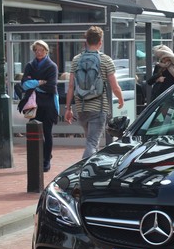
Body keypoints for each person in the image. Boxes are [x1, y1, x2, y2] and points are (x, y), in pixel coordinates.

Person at [64, 26, 124, 159]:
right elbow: (114, 86)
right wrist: (121, 99)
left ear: (86, 41)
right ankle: (84, 170)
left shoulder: (76, 59)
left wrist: (68, 108)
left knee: (90, 141)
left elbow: (71, 86)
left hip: (81, 107)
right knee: (92, 143)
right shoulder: (105, 60)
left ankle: (92, 169)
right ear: (100, 42)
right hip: (98, 107)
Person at [18, 40, 58, 172]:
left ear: (46, 51)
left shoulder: (52, 66)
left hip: (48, 104)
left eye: (41, 50)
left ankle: (46, 160)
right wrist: (39, 82)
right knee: (34, 132)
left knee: (47, 133)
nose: (39, 53)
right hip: (32, 103)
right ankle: (39, 157)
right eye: (36, 50)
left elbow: (51, 86)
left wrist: (33, 85)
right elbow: (24, 84)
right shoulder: (30, 65)